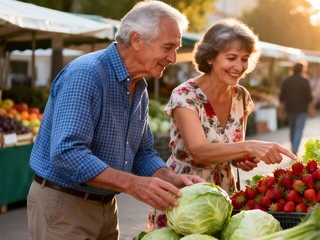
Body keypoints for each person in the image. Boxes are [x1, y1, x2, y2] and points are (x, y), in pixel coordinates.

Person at [26, 2, 205, 239]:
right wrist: (133, 184)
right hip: (65, 206)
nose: (173, 57)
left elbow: (141, 152)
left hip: (106, 206)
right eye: (168, 47)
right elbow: (67, 153)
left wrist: (170, 178)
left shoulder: (138, 85)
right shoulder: (86, 74)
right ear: (137, 40)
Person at [146, 18, 297, 231]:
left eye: (244, 59)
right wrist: (249, 147)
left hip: (224, 191)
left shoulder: (241, 96)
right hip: (185, 191)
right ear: (210, 58)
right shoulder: (185, 95)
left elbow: (231, 148)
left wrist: (240, 159)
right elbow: (198, 151)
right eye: (231, 58)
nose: (239, 67)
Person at [279, 62, 314, 154]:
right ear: (303, 70)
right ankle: (295, 148)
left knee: (292, 128)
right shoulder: (305, 80)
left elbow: (283, 97)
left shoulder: (287, 80)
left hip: (290, 108)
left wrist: (281, 111)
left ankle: (293, 146)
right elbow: (309, 97)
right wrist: (311, 109)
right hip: (302, 109)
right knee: (298, 129)